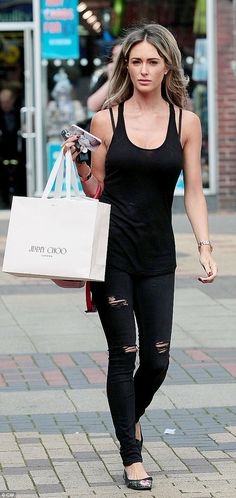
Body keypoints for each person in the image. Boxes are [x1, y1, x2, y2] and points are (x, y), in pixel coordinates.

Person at [63, 23, 217, 491]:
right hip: (111, 253)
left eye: (153, 61)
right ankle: (132, 457)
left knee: (156, 360)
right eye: (136, 61)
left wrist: (205, 247)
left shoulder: (185, 122)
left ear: (168, 64)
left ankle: (129, 418)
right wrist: (79, 161)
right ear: (125, 67)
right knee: (122, 353)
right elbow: (96, 188)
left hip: (158, 254)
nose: (144, 69)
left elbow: (193, 193)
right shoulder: (106, 119)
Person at [87, 41, 121, 114]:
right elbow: (92, 106)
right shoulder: (105, 76)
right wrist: (112, 79)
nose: (117, 60)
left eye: (120, 56)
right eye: (114, 55)